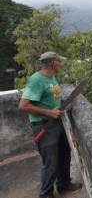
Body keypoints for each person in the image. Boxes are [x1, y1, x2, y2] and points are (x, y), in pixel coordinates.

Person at [18, 51, 82, 198]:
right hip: (44, 126)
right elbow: (23, 106)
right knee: (51, 162)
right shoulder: (36, 80)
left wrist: (64, 105)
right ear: (53, 63)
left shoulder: (52, 78)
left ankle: (64, 185)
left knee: (64, 155)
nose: (60, 64)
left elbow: (55, 98)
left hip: (57, 123)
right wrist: (49, 113)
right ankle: (45, 194)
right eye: (59, 62)